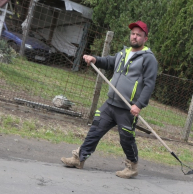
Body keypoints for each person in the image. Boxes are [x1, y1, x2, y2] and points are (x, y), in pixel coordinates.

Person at [61, 21, 158, 178]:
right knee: (95, 129)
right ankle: (79, 158)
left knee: (126, 138)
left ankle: (132, 167)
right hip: (111, 103)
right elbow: (109, 62)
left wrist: (139, 105)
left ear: (145, 39)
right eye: (133, 33)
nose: (134, 37)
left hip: (128, 108)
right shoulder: (123, 53)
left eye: (139, 35)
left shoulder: (148, 59)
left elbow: (149, 85)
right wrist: (95, 59)